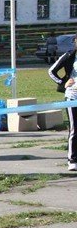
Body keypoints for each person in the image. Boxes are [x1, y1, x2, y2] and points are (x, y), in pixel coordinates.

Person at [47, 34, 77, 171]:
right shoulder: (69, 56)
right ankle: (72, 160)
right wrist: (63, 82)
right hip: (72, 97)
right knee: (74, 129)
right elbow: (51, 71)